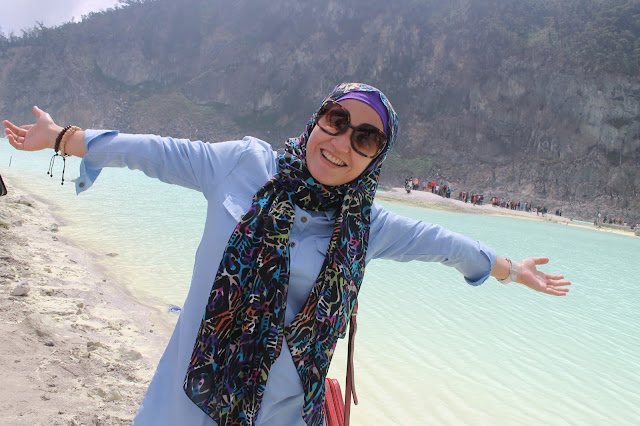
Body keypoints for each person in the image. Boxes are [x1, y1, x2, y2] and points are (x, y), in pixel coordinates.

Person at [3, 83, 570, 426]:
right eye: (337, 121)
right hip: (189, 396)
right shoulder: (243, 165)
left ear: (376, 158)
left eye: (365, 138)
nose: (342, 143)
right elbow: (155, 151)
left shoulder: (364, 227)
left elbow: (443, 244)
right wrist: (64, 138)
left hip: (285, 409)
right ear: (318, 118)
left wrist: (508, 269)